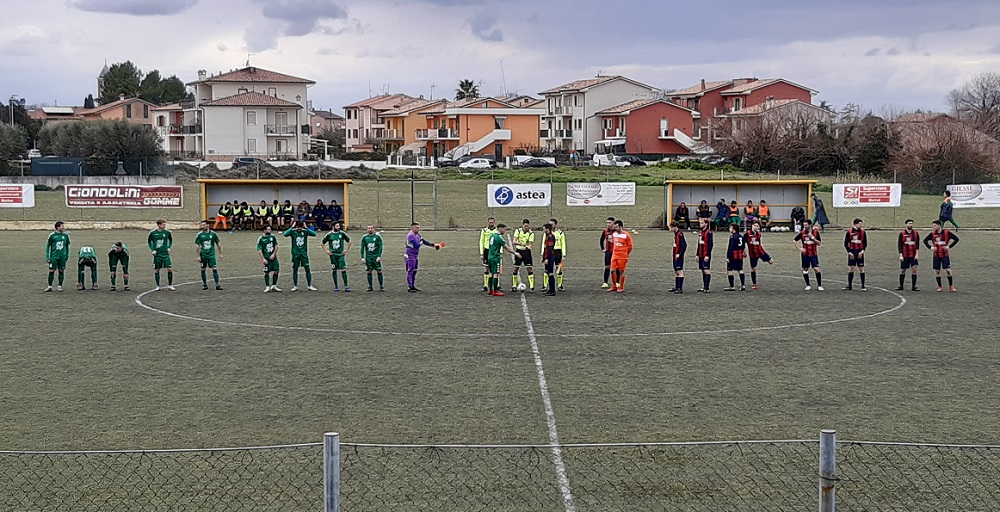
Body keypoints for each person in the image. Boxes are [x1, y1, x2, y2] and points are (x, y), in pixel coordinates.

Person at [405, 222, 442, 292]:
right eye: (417, 228)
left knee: (415, 271)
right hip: (410, 255)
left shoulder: (417, 235)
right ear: (412, 228)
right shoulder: (410, 235)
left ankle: (412, 285)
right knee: (411, 270)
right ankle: (410, 287)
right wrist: (421, 242)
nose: (419, 229)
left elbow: (424, 241)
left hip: (415, 255)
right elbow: (417, 245)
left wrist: (433, 245)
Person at [924, 220, 959, 292]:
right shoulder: (933, 234)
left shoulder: (946, 233)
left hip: (944, 255)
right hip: (936, 255)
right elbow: (925, 240)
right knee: (937, 271)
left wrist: (949, 246)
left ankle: (951, 286)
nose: (933, 227)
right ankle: (940, 286)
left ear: (939, 225)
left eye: (934, 225)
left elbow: (956, 239)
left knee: (948, 270)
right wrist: (931, 247)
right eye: (933, 226)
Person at [284, 220, 318, 291]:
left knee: (307, 269)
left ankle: (309, 285)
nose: (299, 228)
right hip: (295, 254)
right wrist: (292, 227)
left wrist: (306, 228)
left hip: (303, 254)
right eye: (298, 227)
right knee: (295, 269)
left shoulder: (305, 232)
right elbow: (285, 234)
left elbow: (314, 234)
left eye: (300, 227)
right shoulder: (293, 231)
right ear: (296, 226)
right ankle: (295, 286)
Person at [486, 223, 517, 296]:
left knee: (491, 273)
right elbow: (506, 247)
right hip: (495, 257)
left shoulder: (492, 236)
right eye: (504, 229)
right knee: (496, 274)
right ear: (500, 228)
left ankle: (490, 290)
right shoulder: (499, 237)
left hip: (490, 256)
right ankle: (495, 290)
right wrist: (515, 253)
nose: (505, 231)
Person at [793, 219, 823, 291]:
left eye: (806, 225)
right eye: (804, 225)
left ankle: (819, 285)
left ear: (810, 225)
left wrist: (812, 238)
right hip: (805, 254)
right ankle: (808, 285)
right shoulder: (802, 233)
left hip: (813, 254)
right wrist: (800, 248)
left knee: (816, 269)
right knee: (805, 269)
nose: (805, 227)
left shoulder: (815, 233)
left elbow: (819, 243)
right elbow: (794, 240)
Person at [744, 221, 774, 290]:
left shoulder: (759, 234)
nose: (756, 227)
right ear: (752, 226)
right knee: (753, 268)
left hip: (760, 252)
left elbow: (759, 243)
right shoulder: (748, 234)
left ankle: (765, 259)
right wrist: (744, 251)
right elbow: (743, 242)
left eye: (757, 226)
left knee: (771, 262)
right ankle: (754, 284)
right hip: (753, 254)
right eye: (755, 226)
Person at [322, 221, 351, 291]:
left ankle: (346, 286)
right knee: (334, 270)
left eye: (339, 226)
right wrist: (327, 251)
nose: (338, 227)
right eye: (337, 226)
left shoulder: (342, 233)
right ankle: (336, 286)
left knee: (343, 269)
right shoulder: (329, 235)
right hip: (333, 255)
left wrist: (346, 250)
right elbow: (322, 243)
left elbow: (349, 241)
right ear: (333, 226)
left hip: (340, 254)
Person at [195, 220, 224, 291]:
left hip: (211, 255)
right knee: (203, 269)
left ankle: (217, 285)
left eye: (204, 225)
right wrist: (198, 256)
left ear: (208, 225)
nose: (202, 226)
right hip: (203, 255)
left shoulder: (213, 234)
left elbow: (218, 243)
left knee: (214, 269)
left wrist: (221, 253)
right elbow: (197, 245)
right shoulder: (199, 235)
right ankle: (205, 284)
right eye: (202, 225)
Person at [148, 219, 175, 291]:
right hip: (157, 254)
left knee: (169, 269)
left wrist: (169, 247)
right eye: (163, 224)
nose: (164, 226)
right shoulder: (153, 233)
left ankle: (170, 285)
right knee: (157, 270)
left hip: (165, 254)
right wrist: (152, 249)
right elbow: (149, 242)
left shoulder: (167, 232)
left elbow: (171, 240)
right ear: (159, 225)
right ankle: (157, 286)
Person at [607, 219, 633, 293]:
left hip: (622, 256)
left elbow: (630, 246)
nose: (615, 229)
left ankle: (621, 287)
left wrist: (626, 253)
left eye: (616, 227)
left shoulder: (626, 235)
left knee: (621, 271)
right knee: (612, 271)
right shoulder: (614, 234)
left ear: (621, 227)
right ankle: (614, 286)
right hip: (615, 255)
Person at [44, 221, 70, 292]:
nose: (63, 227)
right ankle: (49, 286)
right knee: (52, 270)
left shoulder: (65, 236)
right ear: (58, 227)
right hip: (54, 257)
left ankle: (60, 286)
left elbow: (67, 246)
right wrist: (48, 257)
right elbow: (48, 246)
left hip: (62, 257)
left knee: (61, 271)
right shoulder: (52, 235)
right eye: (62, 226)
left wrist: (67, 255)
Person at [843, 218, 868, 291]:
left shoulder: (863, 232)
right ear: (855, 224)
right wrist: (849, 252)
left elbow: (865, 243)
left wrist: (862, 251)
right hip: (852, 253)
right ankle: (849, 286)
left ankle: (863, 286)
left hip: (860, 252)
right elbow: (845, 243)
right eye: (860, 224)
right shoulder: (849, 232)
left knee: (861, 269)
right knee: (851, 268)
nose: (861, 225)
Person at [512, 219, 535, 292]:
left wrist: (529, 246)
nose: (526, 228)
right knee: (516, 268)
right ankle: (514, 285)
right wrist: (521, 244)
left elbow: (530, 244)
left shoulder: (531, 233)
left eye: (527, 226)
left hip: (526, 252)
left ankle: (532, 287)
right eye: (525, 226)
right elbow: (514, 241)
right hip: (519, 251)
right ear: (522, 225)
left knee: (529, 268)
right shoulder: (518, 231)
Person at [360, 225, 385, 292]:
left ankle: (381, 286)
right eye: (369, 228)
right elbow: (362, 248)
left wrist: (379, 256)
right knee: (369, 271)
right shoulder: (364, 237)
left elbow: (380, 247)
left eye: (371, 228)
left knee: (379, 270)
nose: (370, 229)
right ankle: (370, 286)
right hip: (368, 257)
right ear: (367, 229)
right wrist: (362, 257)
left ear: (373, 229)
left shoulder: (377, 237)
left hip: (375, 256)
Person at [897, 219, 920, 292]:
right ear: (906, 224)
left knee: (914, 269)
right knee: (903, 270)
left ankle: (913, 286)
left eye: (912, 224)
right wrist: (900, 255)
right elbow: (900, 245)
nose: (911, 225)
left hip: (913, 255)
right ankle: (901, 286)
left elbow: (917, 245)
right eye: (909, 223)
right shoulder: (902, 233)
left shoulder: (916, 233)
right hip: (905, 255)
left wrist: (917, 254)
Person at [257, 225, 281, 292]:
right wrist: (263, 259)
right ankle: (267, 286)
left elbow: (276, 245)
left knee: (276, 271)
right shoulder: (261, 239)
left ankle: (274, 285)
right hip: (266, 258)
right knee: (266, 272)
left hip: (274, 258)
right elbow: (259, 250)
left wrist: (274, 254)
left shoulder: (273, 237)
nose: (270, 230)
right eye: (268, 229)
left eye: (270, 229)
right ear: (264, 230)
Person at [723, 223, 746, 291]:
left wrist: (728, 257)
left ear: (734, 230)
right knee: (740, 269)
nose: (729, 229)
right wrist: (744, 252)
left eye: (730, 228)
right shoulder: (741, 236)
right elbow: (743, 246)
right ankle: (743, 285)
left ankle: (732, 286)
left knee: (729, 270)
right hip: (739, 255)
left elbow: (731, 248)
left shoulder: (732, 237)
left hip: (733, 255)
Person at [479, 217, 498, 291]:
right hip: (487, 250)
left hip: (495, 251)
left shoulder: (496, 231)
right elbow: (481, 242)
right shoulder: (484, 230)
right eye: (490, 222)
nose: (491, 224)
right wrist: (481, 253)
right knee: (487, 268)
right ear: (488, 222)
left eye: (492, 222)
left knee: (496, 268)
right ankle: (486, 285)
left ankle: (497, 284)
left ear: (494, 222)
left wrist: (500, 251)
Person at [696, 217, 713, 293]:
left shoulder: (708, 233)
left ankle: (707, 287)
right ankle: (704, 286)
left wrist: (708, 255)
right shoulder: (701, 232)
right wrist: (697, 254)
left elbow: (710, 244)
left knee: (706, 270)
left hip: (705, 254)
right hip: (700, 254)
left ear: (706, 224)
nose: (700, 224)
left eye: (702, 223)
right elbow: (699, 244)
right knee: (703, 270)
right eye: (700, 223)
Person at [668, 221, 686, 293]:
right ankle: (677, 287)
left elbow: (684, 246)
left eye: (671, 227)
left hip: (679, 256)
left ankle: (680, 288)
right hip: (675, 256)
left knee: (679, 271)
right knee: (676, 271)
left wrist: (680, 254)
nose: (670, 229)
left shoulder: (680, 234)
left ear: (675, 227)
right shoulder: (676, 234)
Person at [550, 217, 567, 291]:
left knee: (559, 268)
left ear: (555, 225)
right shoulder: (548, 233)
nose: (550, 226)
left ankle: (560, 285)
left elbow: (563, 244)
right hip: (550, 251)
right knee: (548, 269)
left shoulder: (560, 233)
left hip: (558, 252)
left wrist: (563, 255)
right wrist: (542, 253)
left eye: (552, 224)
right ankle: (545, 285)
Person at [541, 223, 558, 296]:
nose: (543, 230)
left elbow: (550, 249)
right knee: (548, 273)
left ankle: (552, 290)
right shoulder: (548, 236)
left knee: (550, 273)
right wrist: (543, 258)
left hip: (550, 257)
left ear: (547, 229)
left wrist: (547, 258)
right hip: (548, 256)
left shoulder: (550, 237)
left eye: (544, 228)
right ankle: (550, 289)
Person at [599, 217, 615, 289]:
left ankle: (617, 283)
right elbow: (601, 240)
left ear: (613, 223)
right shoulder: (605, 231)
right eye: (607, 223)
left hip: (616, 252)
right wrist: (603, 249)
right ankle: (605, 282)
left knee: (616, 268)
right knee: (607, 267)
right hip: (608, 252)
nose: (608, 224)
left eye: (609, 223)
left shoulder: (617, 231)